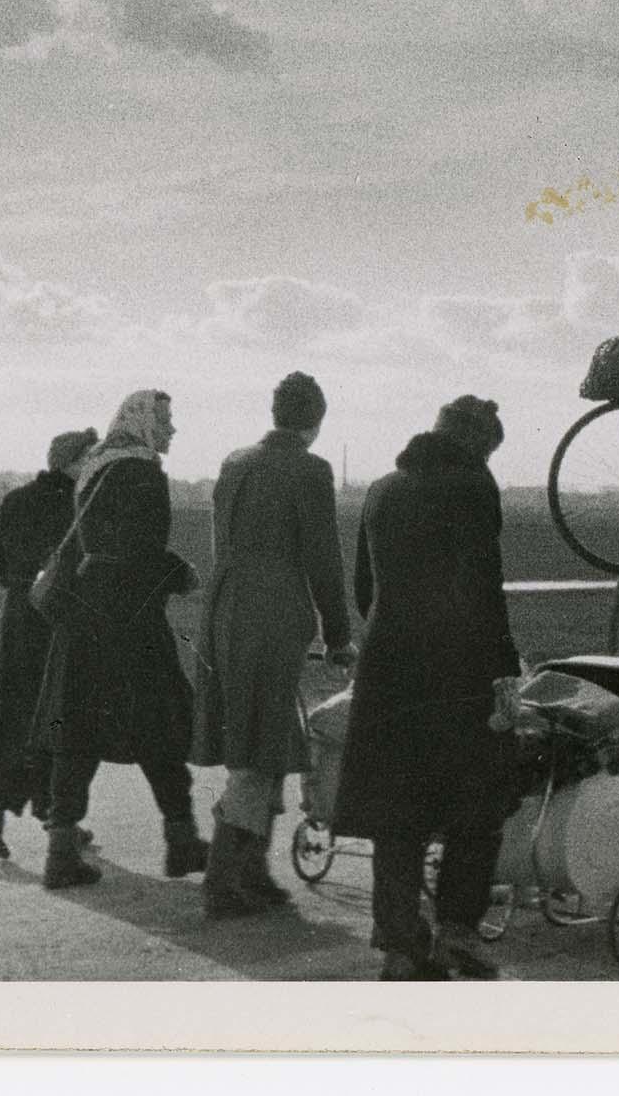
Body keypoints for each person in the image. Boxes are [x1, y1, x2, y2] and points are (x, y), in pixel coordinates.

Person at [333, 395, 523, 982]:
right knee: (476, 808)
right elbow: (483, 586)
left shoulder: (384, 488)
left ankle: (398, 947)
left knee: (398, 814)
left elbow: (366, 591)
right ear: (479, 443)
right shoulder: (474, 486)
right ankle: (456, 936)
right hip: (458, 670)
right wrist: (504, 672)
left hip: (389, 669)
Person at [193, 370, 355, 920]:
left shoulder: (236, 461)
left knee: (265, 738)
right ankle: (223, 877)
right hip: (271, 611)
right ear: (316, 421)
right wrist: (338, 634)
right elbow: (322, 558)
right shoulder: (309, 469)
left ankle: (252, 872)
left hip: (225, 606)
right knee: (261, 747)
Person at [31, 388, 208, 890]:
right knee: (161, 727)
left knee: (79, 734)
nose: (172, 429)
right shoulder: (143, 472)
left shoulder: (98, 466)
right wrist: (181, 573)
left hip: (85, 619)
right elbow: (137, 550)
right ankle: (181, 839)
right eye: (166, 419)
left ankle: (61, 851)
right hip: (129, 622)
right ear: (144, 422)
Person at [0, 426, 98, 859]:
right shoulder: (78, 505)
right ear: (74, 461)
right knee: (53, 722)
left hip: (19, 621)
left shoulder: (15, 500)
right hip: (55, 624)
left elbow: (3, 572)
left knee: (26, 721)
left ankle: (51, 816)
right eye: (90, 459)